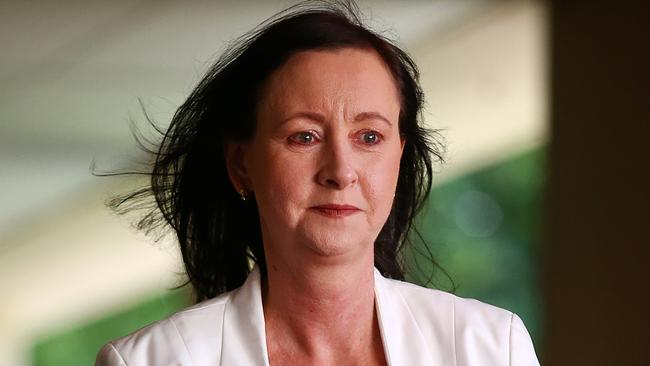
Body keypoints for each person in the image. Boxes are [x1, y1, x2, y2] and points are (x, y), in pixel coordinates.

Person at [96, 1, 540, 365]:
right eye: (303, 136)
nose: (340, 171)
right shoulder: (151, 362)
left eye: (369, 137)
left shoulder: (490, 348)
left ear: (399, 159)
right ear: (241, 164)